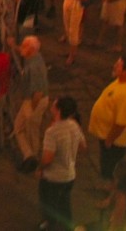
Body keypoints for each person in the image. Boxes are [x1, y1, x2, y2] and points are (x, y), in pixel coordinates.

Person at [36, 96, 87, 231]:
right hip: (70, 175)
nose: (51, 107)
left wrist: (39, 168)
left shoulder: (52, 132)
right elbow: (83, 146)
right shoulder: (74, 125)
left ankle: (49, 224)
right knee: (65, 202)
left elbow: (48, 158)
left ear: (58, 110)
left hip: (53, 178)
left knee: (48, 203)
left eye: (54, 105)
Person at [88, 56, 126, 182]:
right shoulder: (121, 81)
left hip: (115, 140)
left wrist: (109, 140)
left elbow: (121, 124)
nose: (114, 66)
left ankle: (112, 195)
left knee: (112, 170)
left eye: (118, 66)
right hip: (107, 135)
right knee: (107, 166)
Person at [13, 35, 49, 172]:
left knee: (31, 130)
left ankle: (32, 159)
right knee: (19, 127)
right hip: (30, 100)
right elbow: (23, 51)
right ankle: (29, 154)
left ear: (31, 49)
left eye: (24, 46)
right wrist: (13, 46)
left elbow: (38, 93)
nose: (21, 48)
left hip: (35, 101)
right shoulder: (34, 56)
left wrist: (32, 110)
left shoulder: (34, 67)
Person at [61, 0, 91, 66]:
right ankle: (70, 50)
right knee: (67, 27)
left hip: (76, 6)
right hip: (67, 4)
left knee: (74, 30)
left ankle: (72, 55)